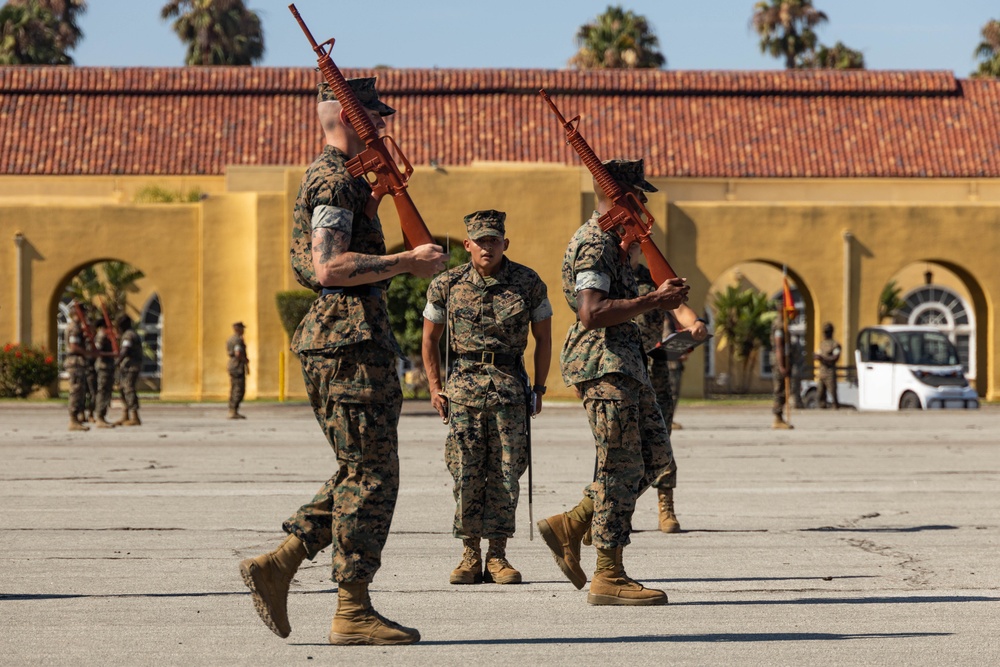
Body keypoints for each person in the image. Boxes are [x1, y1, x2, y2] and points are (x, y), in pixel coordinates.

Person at [238, 77, 447, 646]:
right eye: (376, 117)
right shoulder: (333, 179)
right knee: (373, 475)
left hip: (352, 343)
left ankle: (281, 563)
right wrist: (407, 260)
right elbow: (328, 268)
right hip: (347, 348)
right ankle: (351, 609)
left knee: (363, 470)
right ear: (351, 120)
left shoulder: (346, 181)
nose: (384, 126)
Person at [537, 158, 706, 607]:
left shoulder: (617, 245)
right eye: (639, 195)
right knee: (618, 465)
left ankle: (573, 523)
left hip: (628, 363)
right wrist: (655, 298)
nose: (645, 204)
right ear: (620, 198)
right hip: (603, 364)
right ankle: (608, 575)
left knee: (653, 458)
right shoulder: (594, 244)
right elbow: (590, 313)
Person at [421, 209, 552, 586]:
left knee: (507, 474)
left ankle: (497, 555)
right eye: (480, 241)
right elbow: (430, 339)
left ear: (505, 243)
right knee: (465, 472)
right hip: (463, 390)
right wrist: (434, 386)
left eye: (494, 240)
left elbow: (544, 338)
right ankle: (469, 554)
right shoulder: (446, 284)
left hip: (510, 388)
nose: (487, 247)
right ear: (467, 245)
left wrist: (539, 388)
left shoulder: (528, 283)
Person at [629, 254, 707, 534]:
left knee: (661, 437)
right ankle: (617, 511)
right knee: (620, 442)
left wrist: (694, 324)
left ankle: (666, 507)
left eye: (636, 244)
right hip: (620, 367)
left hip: (654, 367)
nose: (631, 248)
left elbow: (680, 310)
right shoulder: (607, 276)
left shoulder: (653, 280)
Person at [64, 304, 92, 432]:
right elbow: (74, 346)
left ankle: (78, 417)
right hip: (75, 362)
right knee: (76, 391)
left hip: (79, 362)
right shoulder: (74, 328)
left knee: (80, 391)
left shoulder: (79, 328)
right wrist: (88, 353)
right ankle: (73, 420)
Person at [115, 314, 143, 427]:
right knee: (122, 389)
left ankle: (135, 416)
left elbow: (125, 350)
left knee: (128, 389)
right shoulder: (126, 334)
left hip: (131, 367)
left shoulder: (129, 335)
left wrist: (116, 362)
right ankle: (125, 415)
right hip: (125, 367)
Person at [92, 318, 117, 429]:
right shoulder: (101, 335)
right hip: (103, 367)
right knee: (102, 392)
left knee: (106, 392)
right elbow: (97, 352)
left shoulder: (107, 335)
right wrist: (111, 354)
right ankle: (99, 417)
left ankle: (102, 416)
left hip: (108, 367)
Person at [770, 314, 793, 429]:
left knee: (782, 389)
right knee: (780, 389)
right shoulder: (780, 326)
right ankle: (777, 418)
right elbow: (779, 346)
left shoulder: (782, 324)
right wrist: (781, 365)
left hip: (782, 360)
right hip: (780, 361)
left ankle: (779, 417)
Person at [226, 321, 250, 419]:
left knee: (234, 388)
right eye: (242, 328)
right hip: (237, 367)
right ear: (238, 329)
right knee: (238, 389)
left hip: (232, 366)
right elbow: (238, 353)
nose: (244, 330)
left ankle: (232, 410)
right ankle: (233, 411)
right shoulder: (237, 340)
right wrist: (245, 360)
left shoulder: (231, 339)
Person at [816, 321, 841, 409]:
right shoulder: (822, 343)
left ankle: (835, 407)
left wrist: (823, 358)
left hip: (830, 372)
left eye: (827, 331)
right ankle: (822, 407)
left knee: (833, 393)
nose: (825, 334)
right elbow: (819, 353)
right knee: (820, 393)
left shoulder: (835, 344)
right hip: (822, 371)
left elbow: (835, 357)